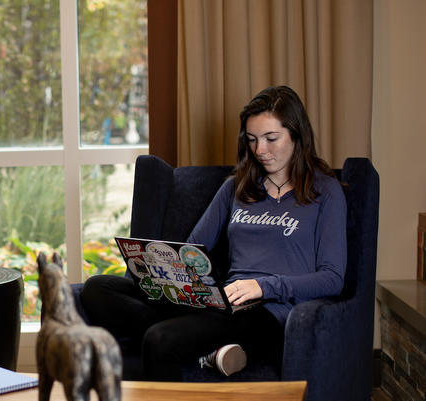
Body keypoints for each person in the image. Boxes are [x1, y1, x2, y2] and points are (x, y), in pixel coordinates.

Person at [81, 85, 347, 380]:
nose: (260, 150)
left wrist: (264, 286)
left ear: (297, 135)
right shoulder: (237, 187)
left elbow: (333, 278)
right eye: (252, 140)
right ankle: (212, 351)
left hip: (269, 314)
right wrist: (163, 269)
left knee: (160, 340)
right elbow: (193, 249)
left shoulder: (325, 191)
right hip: (221, 301)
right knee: (98, 288)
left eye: (272, 138)